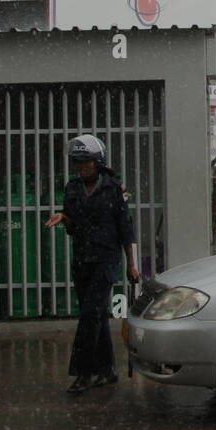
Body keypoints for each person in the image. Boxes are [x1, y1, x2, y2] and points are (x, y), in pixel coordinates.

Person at [45, 134, 139, 394]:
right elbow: (74, 226)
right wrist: (64, 218)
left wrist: (131, 264)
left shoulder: (113, 188)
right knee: (95, 316)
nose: (82, 167)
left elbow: (125, 230)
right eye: (78, 163)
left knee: (89, 316)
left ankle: (84, 373)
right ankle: (108, 370)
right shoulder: (72, 188)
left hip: (106, 260)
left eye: (87, 162)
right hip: (82, 260)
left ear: (98, 162)